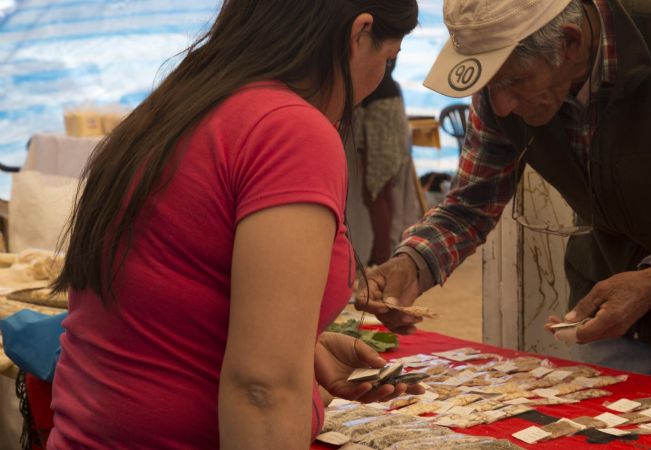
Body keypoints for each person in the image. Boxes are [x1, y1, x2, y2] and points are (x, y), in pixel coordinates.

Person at [358, 0, 651, 404]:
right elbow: (471, 204)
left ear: (570, 44)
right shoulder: (501, 81)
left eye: (514, 81)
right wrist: (413, 263)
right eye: (490, 85)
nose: (501, 105)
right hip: (609, 296)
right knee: (589, 433)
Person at [47, 0, 419, 448]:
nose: (381, 75)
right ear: (359, 34)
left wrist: (303, 355)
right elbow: (262, 389)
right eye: (388, 59)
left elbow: (166, 305)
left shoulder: (175, 107)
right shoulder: (290, 129)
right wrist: (283, 375)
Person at [353, 58, 411, 265]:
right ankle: (380, 252)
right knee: (382, 193)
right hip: (390, 111)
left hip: (378, 116)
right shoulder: (385, 61)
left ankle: (380, 255)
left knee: (375, 195)